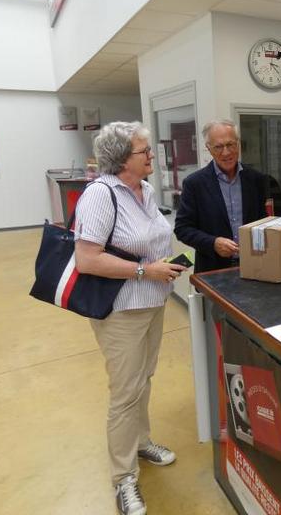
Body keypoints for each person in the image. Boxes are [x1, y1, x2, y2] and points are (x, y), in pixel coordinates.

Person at [74, 121, 188, 515]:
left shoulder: (146, 189)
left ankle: (141, 443)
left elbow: (151, 240)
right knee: (125, 392)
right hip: (120, 309)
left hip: (153, 301)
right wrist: (145, 271)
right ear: (123, 159)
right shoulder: (100, 195)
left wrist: (165, 267)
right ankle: (123, 479)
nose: (152, 155)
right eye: (144, 151)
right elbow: (86, 259)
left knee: (144, 379)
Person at [174, 119, 269, 273]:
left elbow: (266, 221)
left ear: (238, 144)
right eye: (218, 147)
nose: (226, 152)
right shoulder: (194, 184)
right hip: (213, 270)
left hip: (255, 266)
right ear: (209, 149)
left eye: (230, 144)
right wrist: (213, 243)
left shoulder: (256, 179)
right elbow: (182, 229)